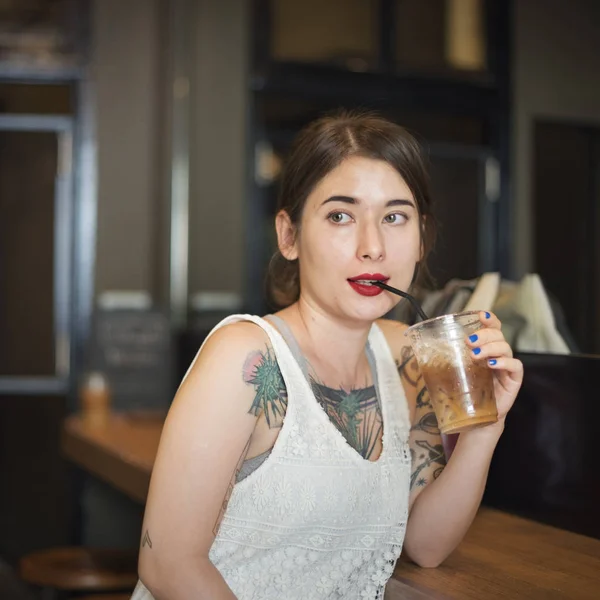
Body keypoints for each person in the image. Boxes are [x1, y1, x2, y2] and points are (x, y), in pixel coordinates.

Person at [132, 112, 523, 599]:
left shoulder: (411, 358)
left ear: (421, 237)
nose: (372, 247)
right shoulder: (246, 356)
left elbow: (426, 544)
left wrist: (484, 430)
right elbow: (167, 563)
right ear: (288, 236)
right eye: (341, 215)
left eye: (395, 217)